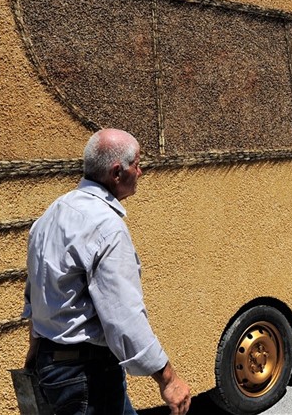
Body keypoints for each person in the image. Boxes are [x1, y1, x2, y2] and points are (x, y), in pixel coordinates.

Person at [23, 128, 191, 415]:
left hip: (52, 366)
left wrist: (35, 351)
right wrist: (169, 380)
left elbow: (35, 293)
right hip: (87, 375)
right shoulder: (106, 227)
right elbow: (124, 316)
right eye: (137, 164)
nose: (140, 172)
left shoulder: (51, 214)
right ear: (116, 173)